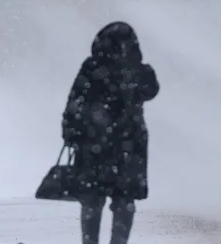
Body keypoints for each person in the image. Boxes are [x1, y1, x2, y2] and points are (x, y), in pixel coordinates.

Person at [61, 21, 160, 244]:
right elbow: (151, 92)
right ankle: (119, 242)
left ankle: (90, 241)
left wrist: (71, 133)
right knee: (124, 200)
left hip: (94, 141)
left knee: (92, 200)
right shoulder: (137, 69)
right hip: (129, 143)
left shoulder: (92, 67)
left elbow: (75, 101)